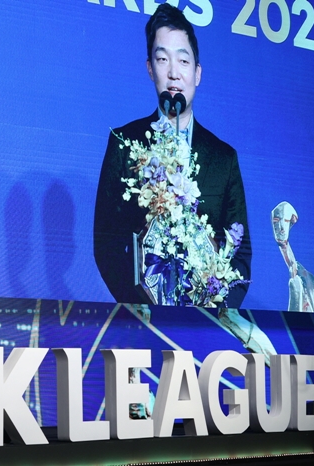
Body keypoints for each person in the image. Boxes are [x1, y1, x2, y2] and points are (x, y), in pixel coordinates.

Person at [93, 3, 251, 308]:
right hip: (142, 320)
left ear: (197, 73)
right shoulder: (125, 143)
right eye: (163, 59)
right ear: (150, 68)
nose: (174, 73)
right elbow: (105, 242)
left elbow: (241, 254)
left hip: (206, 325)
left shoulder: (224, 159)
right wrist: (140, 308)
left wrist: (215, 312)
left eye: (183, 60)